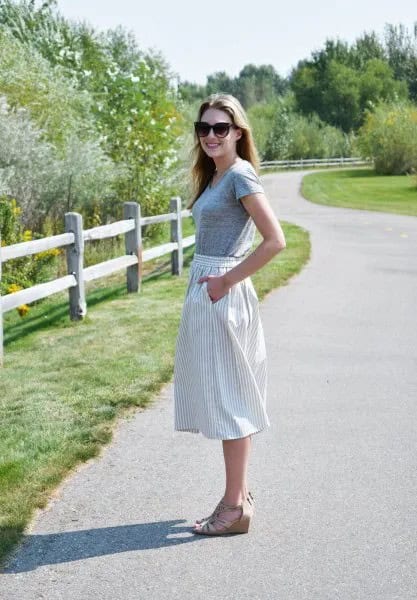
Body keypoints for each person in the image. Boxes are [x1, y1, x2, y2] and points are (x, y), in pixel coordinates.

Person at [173, 93, 286, 536]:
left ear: (238, 132)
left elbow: (275, 241)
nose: (211, 136)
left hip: (222, 291)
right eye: (204, 128)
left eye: (221, 128)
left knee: (230, 399)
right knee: (226, 395)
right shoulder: (216, 177)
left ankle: (235, 506)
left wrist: (225, 281)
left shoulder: (239, 175)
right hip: (208, 288)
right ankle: (234, 495)